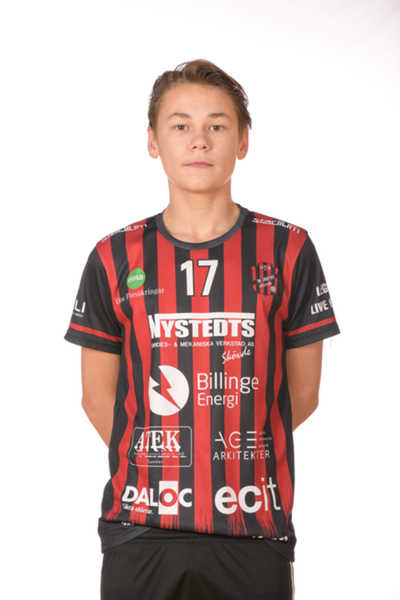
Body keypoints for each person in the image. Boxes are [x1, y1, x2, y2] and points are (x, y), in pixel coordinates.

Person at [65, 59, 340, 600]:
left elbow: (301, 395)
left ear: (242, 141)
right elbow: (97, 397)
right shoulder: (114, 255)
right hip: (140, 528)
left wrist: (228, 456)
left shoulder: (288, 248)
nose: (199, 140)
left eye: (217, 125)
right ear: (153, 141)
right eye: (180, 125)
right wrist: (165, 464)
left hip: (253, 528)